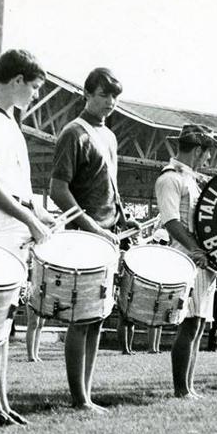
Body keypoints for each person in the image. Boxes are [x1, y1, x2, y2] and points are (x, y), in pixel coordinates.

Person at [0, 49, 53, 427]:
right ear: (16, 80)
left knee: (5, 320)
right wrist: (28, 219)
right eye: (33, 86)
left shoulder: (8, 122)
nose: (35, 94)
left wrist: (39, 213)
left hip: (12, 228)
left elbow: (16, 186)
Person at [49, 67, 137, 412]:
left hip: (108, 235)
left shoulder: (110, 136)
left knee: (98, 316)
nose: (110, 102)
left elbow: (109, 186)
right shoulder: (74, 132)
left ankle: (86, 393)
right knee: (81, 316)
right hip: (85, 236)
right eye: (104, 95)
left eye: (115, 96)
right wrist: (90, 226)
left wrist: (121, 217)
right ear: (87, 94)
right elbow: (58, 189)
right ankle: (78, 398)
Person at [155, 124, 217, 398]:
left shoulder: (192, 180)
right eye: (207, 154)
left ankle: (189, 387)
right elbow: (171, 221)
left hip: (201, 259)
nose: (208, 159)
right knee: (189, 323)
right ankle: (181, 389)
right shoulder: (170, 179)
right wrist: (196, 250)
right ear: (197, 150)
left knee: (198, 324)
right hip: (186, 257)